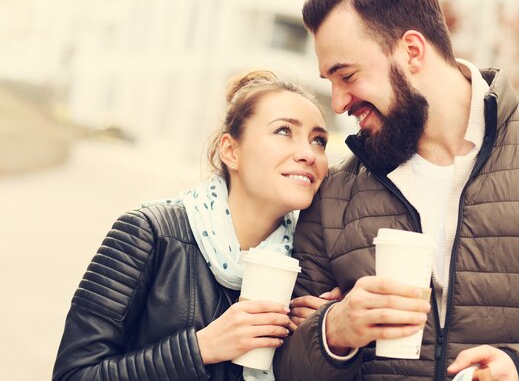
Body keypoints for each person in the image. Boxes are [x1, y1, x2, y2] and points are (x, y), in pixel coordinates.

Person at [274, 0, 519, 381]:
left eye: (347, 75)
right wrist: (334, 334)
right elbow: (285, 366)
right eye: (329, 81)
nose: (337, 103)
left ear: (412, 51)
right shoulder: (333, 197)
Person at [52, 70, 331, 381]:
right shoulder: (148, 234)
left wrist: (327, 340)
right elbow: (73, 374)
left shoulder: (312, 268)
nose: (309, 154)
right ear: (230, 151)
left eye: (318, 140)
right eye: (283, 131)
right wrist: (201, 348)